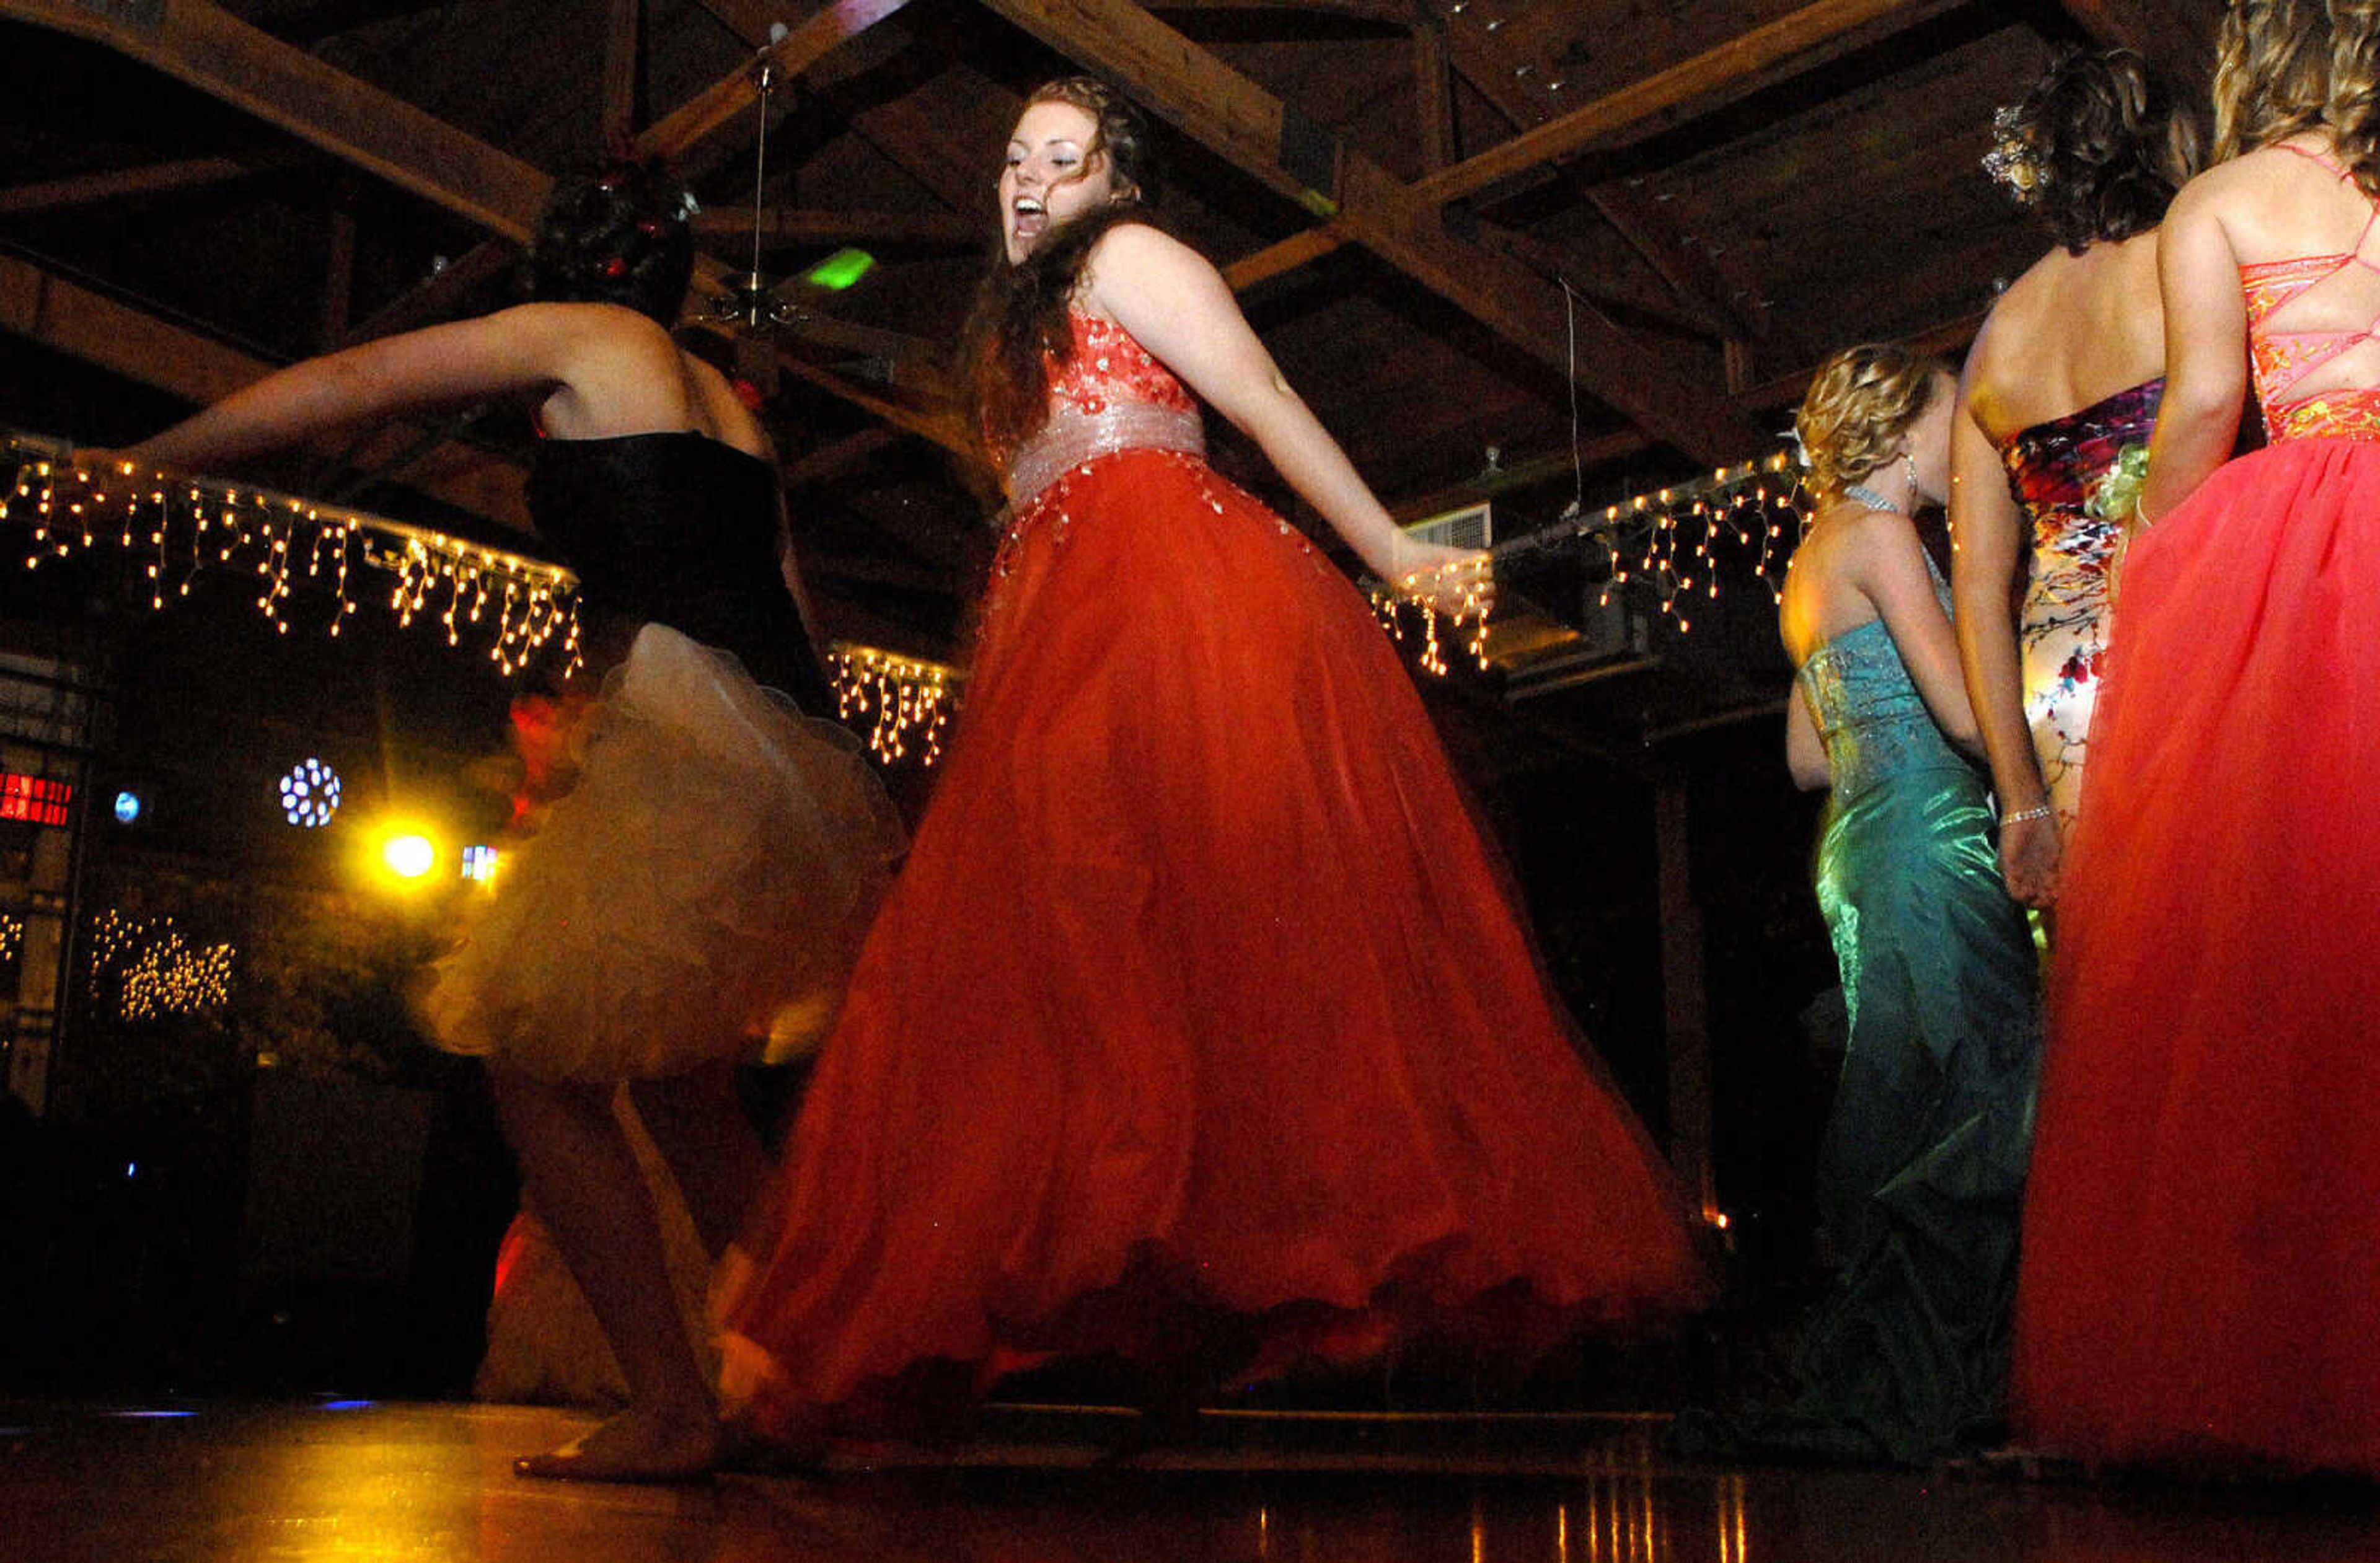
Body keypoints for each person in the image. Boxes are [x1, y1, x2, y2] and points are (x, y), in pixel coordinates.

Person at [718, 77, 1708, 1446]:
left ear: (1116, 184)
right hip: (1064, 626)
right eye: (1014, 156)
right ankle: (1132, 1277)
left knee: (1185, 934)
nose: (1026, 180)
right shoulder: (1019, 319)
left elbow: (1262, 392)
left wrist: (1396, 552)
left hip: (1171, 605)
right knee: (1085, 954)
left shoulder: (1130, 257)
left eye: (1060, 159)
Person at [103, 165, 906, 1481]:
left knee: (530, 1056)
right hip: (796, 752)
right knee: (684, 1086)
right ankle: (821, 1380)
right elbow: (795, 613)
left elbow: (349, 385)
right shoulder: (734, 413)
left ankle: (672, 1403)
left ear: (567, 267)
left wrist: (153, 464)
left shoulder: (586, 337)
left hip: (701, 730)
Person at [2009, 0, 2380, 1476]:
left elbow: (2208, 407)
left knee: (2283, 962)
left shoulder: (2222, 202)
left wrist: (2164, 561)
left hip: (2309, 555)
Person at [1752, 345, 2041, 1463]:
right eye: (1949, 421)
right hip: (1928, 833)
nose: (1960, 442)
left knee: (1910, 1086)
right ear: (1905, 433)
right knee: (1987, 1080)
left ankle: (1916, 1364)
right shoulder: (1882, 537)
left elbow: (1803, 759)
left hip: (1857, 846)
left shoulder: (1811, 559)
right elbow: (1968, 719)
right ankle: (1960, 1375)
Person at [1949, 48, 2198, 914]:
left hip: (2055, 681)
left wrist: (2019, 799)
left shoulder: (1996, 337)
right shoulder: (2189, 262)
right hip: (2182, 631)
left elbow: (1978, 590)